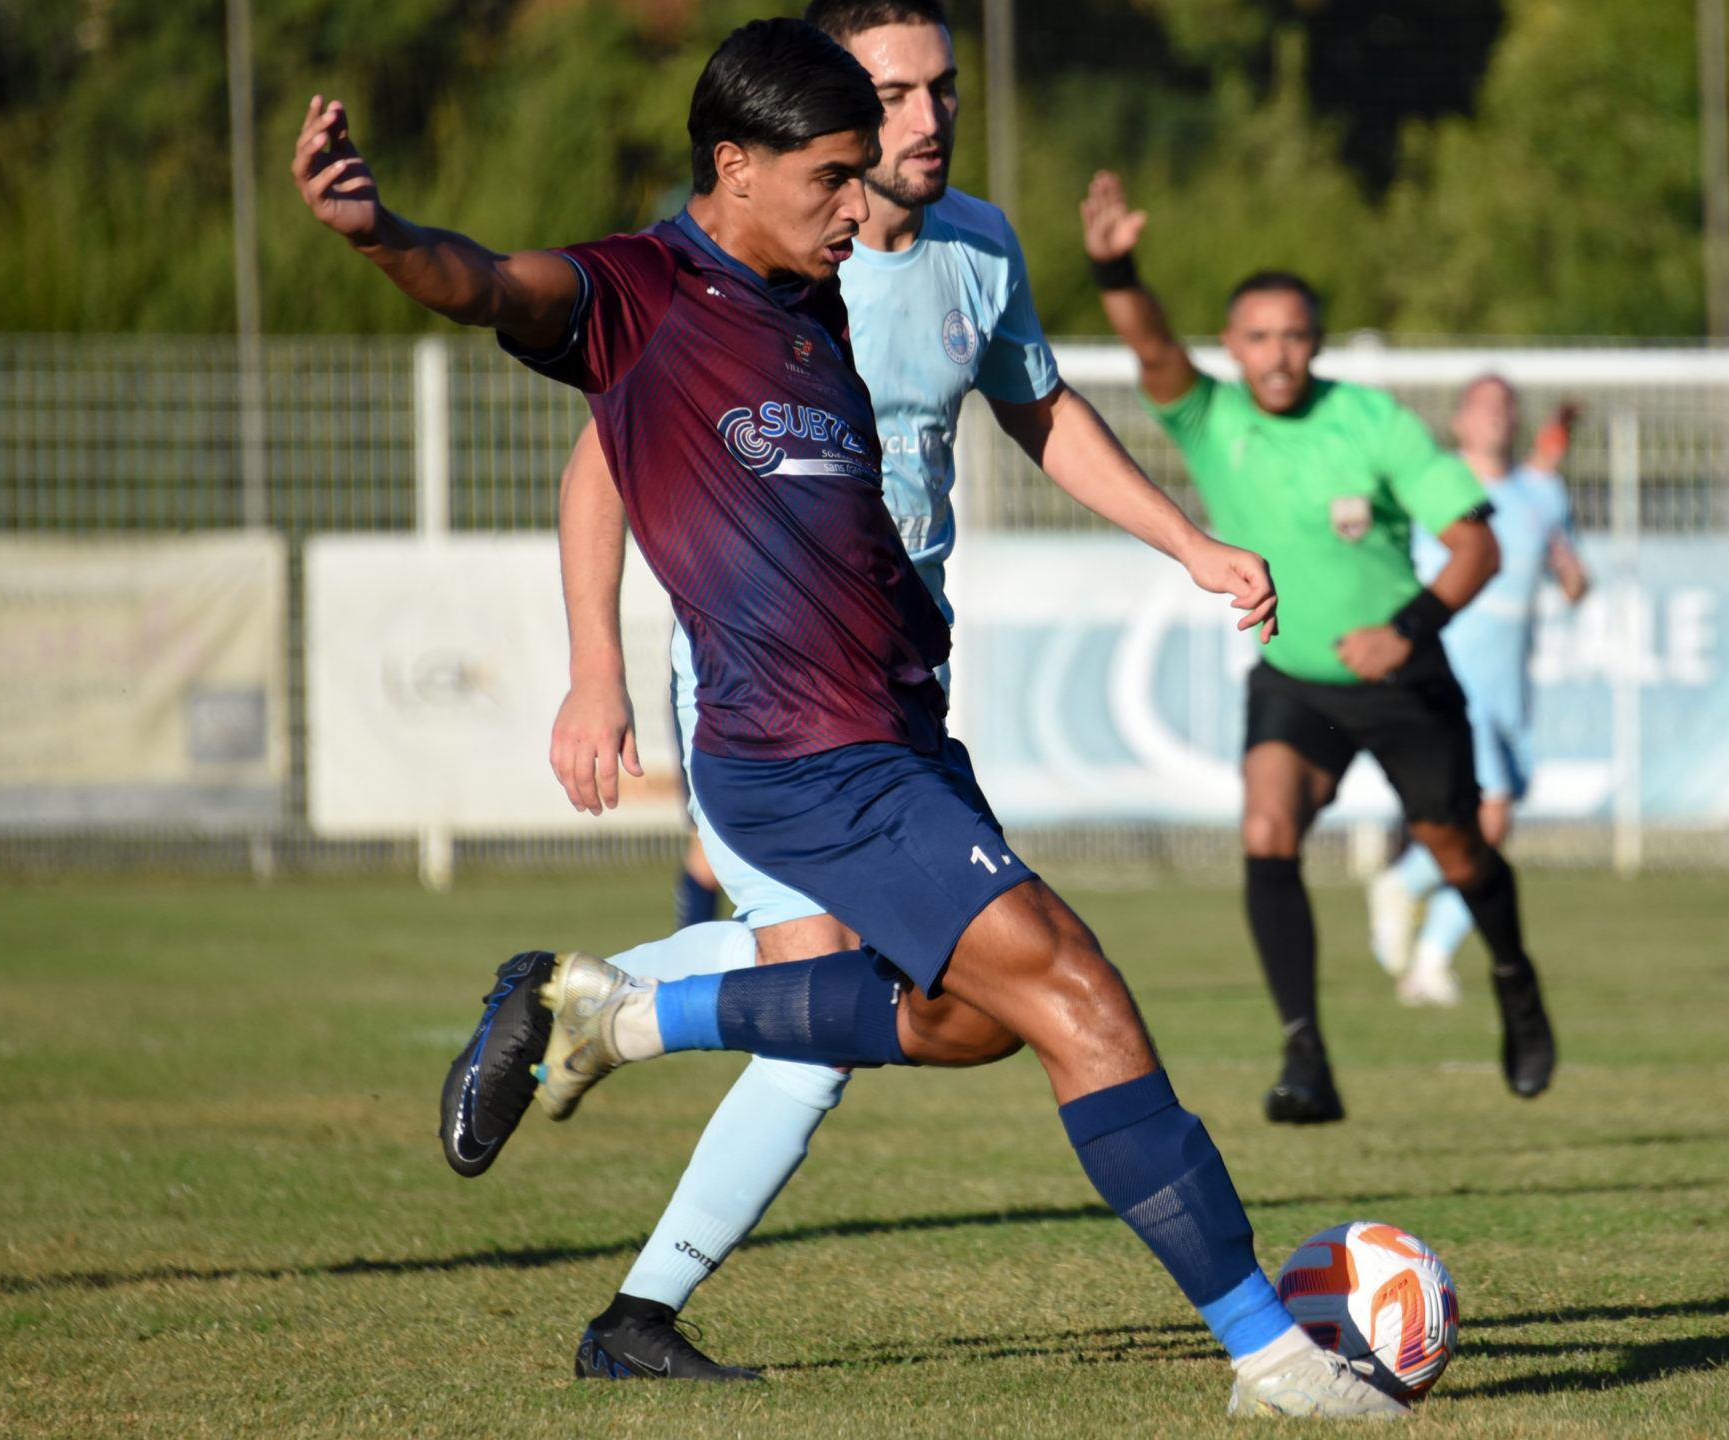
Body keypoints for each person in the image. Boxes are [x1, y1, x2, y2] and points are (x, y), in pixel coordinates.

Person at [300, 19, 1407, 1418]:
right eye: (835, 168)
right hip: (797, 747)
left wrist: (1171, 549)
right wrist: (382, 233)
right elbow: (488, 283)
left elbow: (981, 442)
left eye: (912, 119)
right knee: (1076, 990)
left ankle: (619, 1018)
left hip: (897, 726)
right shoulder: (642, 289)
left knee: (969, 1019)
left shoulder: (824, 300)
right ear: (735, 164)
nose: (862, 191)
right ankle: (1272, 1359)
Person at [524, 0, 1297, 1388]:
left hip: (895, 689)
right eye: (892, 96)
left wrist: (1188, 542)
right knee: (859, 999)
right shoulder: (735, 262)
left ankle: (599, 1021)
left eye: (942, 90)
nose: (924, 120)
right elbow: (605, 459)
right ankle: (635, 1290)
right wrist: (595, 665)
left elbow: (1040, 410)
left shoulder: (978, 246)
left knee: (937, 1009)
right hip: (763, 689)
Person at [1082, 170, 1558, 1126]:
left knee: (1457, 849)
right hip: (1296, 679)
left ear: (1318, 341)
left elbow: (1479, 547)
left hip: (1405, 677)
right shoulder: (1210, 417)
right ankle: (1305, 1055)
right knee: (1266, 829)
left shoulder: (1370, 421)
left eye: (1294, 335)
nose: (1278, 354)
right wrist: (1116, 269)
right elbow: (1150, 344)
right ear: (1233, 347)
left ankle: (1513, 977)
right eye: (1258, 337)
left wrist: (1403, 630)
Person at [1369, 377, 1589, 1006]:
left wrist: (1570, 572)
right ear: (1460, 421)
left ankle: (1428, 962)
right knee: (1489, 818)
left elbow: (1575, 580)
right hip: (1452, 679)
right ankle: (1406, 886)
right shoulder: (1435, 485)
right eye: (1483, 405)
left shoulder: (1541, 492)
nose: (1496, 415)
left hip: (1511, 686)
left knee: (1492, 828)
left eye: (1506, 405)